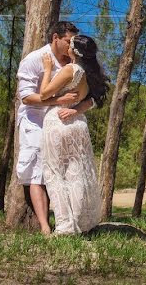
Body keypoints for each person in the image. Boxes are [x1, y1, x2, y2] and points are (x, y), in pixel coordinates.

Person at [16, 21, 92, 235]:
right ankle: (44, 227)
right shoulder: (34, 59)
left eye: (73, 42)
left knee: (68, 171)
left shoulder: (75, 63)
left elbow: (92, 97)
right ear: (55, 38)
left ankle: (71, 222)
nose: (71, 46)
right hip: (35, 122)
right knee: (38, 172)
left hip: (63, 124)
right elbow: (27, 98)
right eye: (68, 41)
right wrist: (58, 101)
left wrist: (76, 110)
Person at [39, 34, 108, 234]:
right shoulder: (90, 72)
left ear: (75, 51)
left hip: (58, 122)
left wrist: (48, 69)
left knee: (55, 173)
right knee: (77, 173)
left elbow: (44, 94)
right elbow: (94, 99)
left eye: (70, 43)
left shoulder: (71, 70)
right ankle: (81, 222)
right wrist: (77, 110)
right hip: (78, 124)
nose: (67, 45)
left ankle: (65, 225)